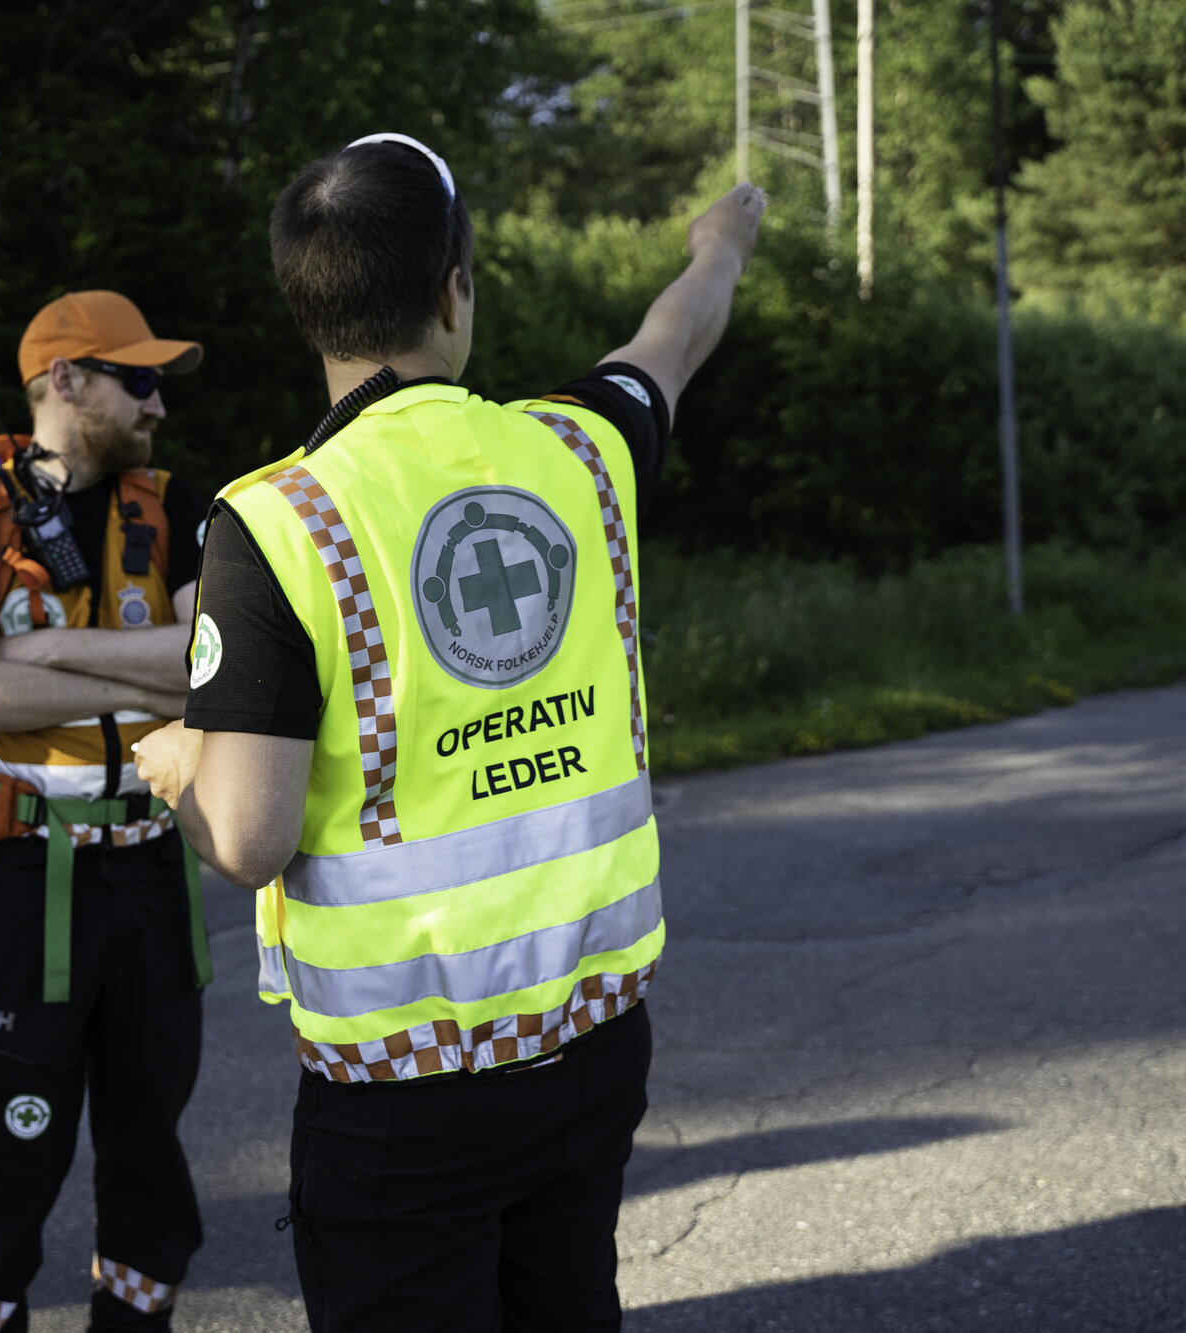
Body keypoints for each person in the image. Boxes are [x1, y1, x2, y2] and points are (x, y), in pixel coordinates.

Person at [135, 136, 765, 1330]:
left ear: (306, 310)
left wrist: (179, 766)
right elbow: (675, 335)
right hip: (590, 1046)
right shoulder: (581, 448)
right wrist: (717, 240)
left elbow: (249, 835)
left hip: (402, 1095)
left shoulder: (275, 524)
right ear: (450, 289)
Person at [0, 291, 212, 1333]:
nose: (157, 403)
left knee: (149, 1142)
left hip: (149, 867)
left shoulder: (172, 503)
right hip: (26, 878)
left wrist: (41, 650)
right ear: (64, 381)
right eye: (137, 379)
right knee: (13, 1142)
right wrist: (145, 684)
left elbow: (206, 669)